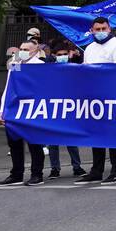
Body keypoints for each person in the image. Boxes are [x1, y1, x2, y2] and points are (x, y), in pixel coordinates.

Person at [74, 17, 116, 185]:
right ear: (92, 30)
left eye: (104, 28)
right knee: (96, 134)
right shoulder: (89, 48)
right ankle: (96, 170)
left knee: (112, 134)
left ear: (109, 29)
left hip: (112, 95)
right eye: (97, 29)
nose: (101, 32)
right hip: (94, 96)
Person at [0, 41, 47, 186]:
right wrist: (2, 110)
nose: (23, 51)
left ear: (35, 50)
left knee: (34, 143)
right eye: (21, 49)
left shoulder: (40, 66)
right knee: (14, 143)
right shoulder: (15, 65)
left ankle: (37, 174)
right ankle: (16, 174)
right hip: (14, 109)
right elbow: (8, 88)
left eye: (26, 49)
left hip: (32, 110)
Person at [45, 46, 85, 180]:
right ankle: (55, 169)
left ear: (68, 55)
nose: (62, 56)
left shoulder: (74, 69)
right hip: (53, 108)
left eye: (64, 54)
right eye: (59, 54)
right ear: (54, 56)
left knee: (71, 140)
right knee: (52, 142)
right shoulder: (49, 71)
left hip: (69, 108)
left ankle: (77, 167)